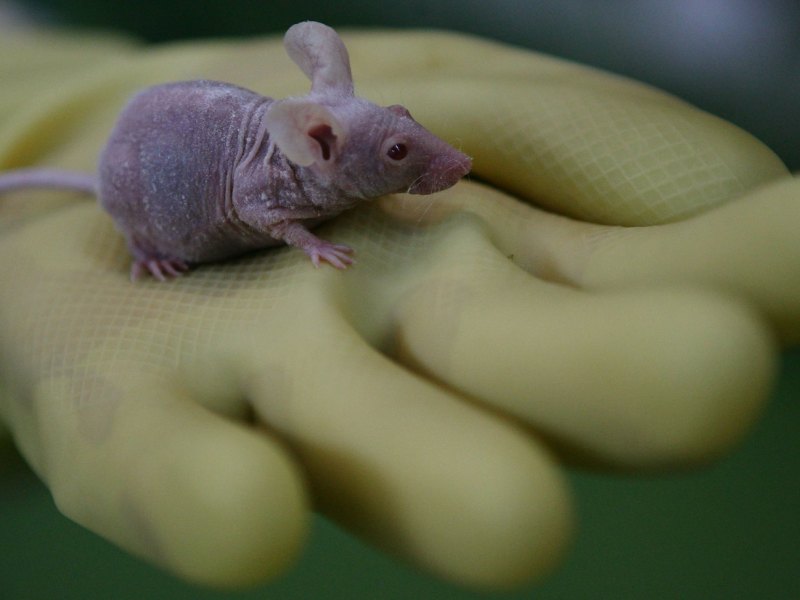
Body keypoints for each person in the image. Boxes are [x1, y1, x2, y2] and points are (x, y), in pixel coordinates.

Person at [0, 24, 796, 590]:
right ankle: (143, 244)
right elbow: (254, 201)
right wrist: (307, 245)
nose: (439, 161)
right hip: (145, 187)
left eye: (406, 137)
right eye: (396, 155)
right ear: (316, 147)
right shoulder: (283, 175)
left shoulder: (320, 143)